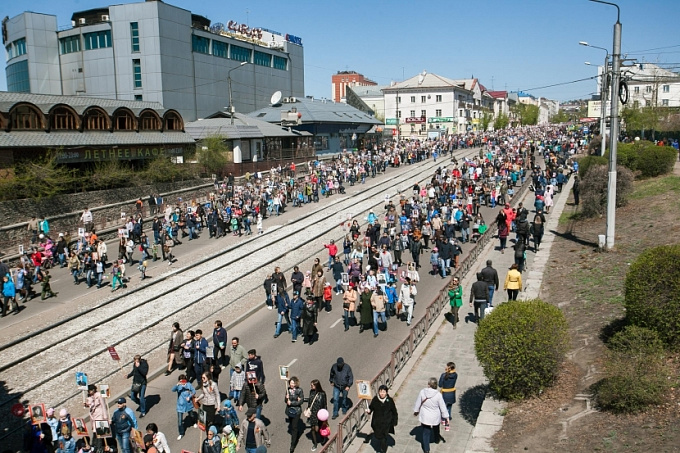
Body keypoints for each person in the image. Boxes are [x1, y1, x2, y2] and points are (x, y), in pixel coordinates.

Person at [413, 378, 448, 453]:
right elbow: (442, 406)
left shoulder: (422, 392)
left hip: (425, 415)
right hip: (435, 415)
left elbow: (418, 402)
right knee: (436, 428)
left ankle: (426, 449)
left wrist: (416, 411)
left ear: (429, 385)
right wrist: (446, 416)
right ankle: (436, 439)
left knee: (426, 432)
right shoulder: (438, 395)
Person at [365, 384, 398, 453]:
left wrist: (394, 421)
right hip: (377, 422)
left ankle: (383, 450)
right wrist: (369, 411)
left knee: (384, 437)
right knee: (378, 436)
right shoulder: (375, 399)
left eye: (384, 392)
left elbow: (394, 411)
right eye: (381, 392)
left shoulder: (390, 401)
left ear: (386, 392)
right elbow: (371, 407)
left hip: (386, 422)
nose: (382, 394)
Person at [171, 374, 195, 441]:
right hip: (180, 406)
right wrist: (177, 385)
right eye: (181, 381)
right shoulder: (178, 386)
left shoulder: (188, 385)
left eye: (184, 381)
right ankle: (181, 433)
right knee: (180, 421)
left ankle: (193, 422)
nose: (183, 382)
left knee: (191, 415)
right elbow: (172, 390)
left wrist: (189, 396)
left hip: (188, 404)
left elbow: (194, 391)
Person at [284, 376, 304, 452]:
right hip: (289, 411)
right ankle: (296, 434)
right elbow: (285, 400)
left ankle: (292, 445)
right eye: (290, 383)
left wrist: (292, 402)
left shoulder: (299, 390)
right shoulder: (288, 390)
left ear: (296, 383)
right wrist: (286, 398)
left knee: (294, 427)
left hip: (296, 411)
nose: (291, 384)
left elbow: (301, 401)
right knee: (292, 425)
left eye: (293, 383)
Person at [307, 380, 327, 451]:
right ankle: (315, 444)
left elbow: (324, 405)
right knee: (313, 429)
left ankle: (323, 438)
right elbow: (310, 402)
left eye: (312, 385)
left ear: (316, 386)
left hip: (319, 414)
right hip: (313, 414)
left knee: (318, 429)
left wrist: (325, 415)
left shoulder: (322, 394)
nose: (310, 386)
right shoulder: (311, 392)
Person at [438, 363, 458, 432]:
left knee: (443, 407)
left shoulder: (443, 375)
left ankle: (443, 419)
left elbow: (440, 385)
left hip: (444, 393)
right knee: (449, 407)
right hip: (452, 393)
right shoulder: (455, 375)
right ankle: (447, 420)